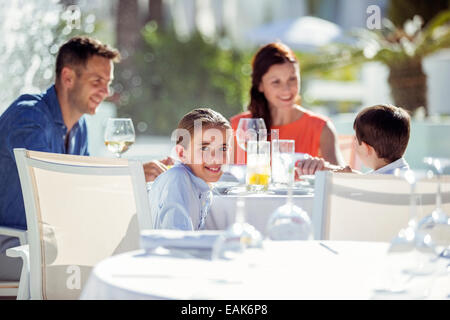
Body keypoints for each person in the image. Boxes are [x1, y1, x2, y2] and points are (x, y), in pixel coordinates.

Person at [230, 42, 345, 167]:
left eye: (292, 79)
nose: (286, 89)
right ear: (260, 85)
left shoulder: (321, 128)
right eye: (276, 82)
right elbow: (222, 176)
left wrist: (325, 167)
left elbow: (343, 178)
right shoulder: (239, 127)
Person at [148, 108, 232, 230]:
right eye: (204, 148)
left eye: (223, 149)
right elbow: (177, 240)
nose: (216, 158)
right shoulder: (178, 179)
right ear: (182, 153)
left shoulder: (201, 186)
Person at [295, 104, 411, 175]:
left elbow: (364, 183)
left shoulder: (370, 188)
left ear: (366, 148)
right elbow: (365, 180)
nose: (353, 143)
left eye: (356, 139)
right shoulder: (406, 176)